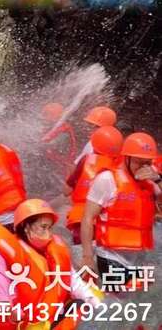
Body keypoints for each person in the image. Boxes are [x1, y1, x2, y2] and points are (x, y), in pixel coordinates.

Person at [0, 190, 100, 328]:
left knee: (80, 306)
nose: (48, 234)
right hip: (22, 316)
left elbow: (0, 304)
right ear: (25, 227)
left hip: (27, 321)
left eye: (49, 228)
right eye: (43, 227)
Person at [80, 132, 161, 289]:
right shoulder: (107, 179)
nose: (144, 167)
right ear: (127, 157)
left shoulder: (150, 183)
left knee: (136, 300)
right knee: (121, 297)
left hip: (138, 256)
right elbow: (88, 218)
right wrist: (87, 256)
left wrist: (158, 178)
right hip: (110, 256)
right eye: (139, 162)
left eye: (148, 162)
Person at [66, 125, 124, 244]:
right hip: (106, 223)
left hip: (80, 219)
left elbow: (66, 190)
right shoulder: (121, 167)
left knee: (82, 257)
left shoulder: (85, 161)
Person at [40, 102, 77, 170]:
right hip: (51, 165)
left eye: (45, 115)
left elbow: (46, 146)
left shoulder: (64, 133)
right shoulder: (53, 127)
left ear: (53, 117)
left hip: (59, 169)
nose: (42, 118)